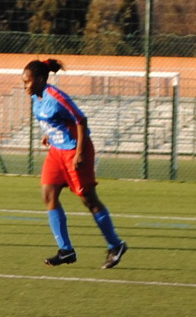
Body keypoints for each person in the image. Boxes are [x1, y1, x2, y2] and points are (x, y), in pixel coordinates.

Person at [22, 59, 127, 269]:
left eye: (27, 82)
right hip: (56, 152)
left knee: (89, 200)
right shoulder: (36, 96)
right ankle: (66, 250)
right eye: (24, 82)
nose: (25, 86)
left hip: (76, 152)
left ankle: (116, 245)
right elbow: (52, 121)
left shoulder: (57, 96)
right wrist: (49, 134)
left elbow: (81, 120)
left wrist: (79, 153)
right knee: (48, 194)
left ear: (41, 79)